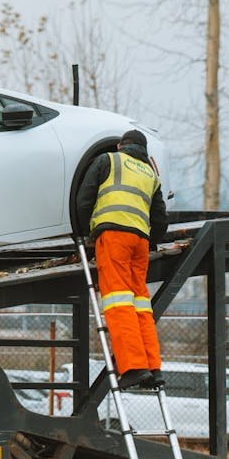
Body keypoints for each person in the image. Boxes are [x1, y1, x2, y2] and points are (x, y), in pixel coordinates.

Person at [74, 130, 168, 390]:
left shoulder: (109, 160)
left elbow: (84, 199)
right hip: (140, 242)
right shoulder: (151, 174)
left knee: (118, 302)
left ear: (120, 146)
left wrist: (84, 233)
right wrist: (153, 241)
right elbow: (160, 219)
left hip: (114, 236)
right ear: (144, 151)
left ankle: (134, 367)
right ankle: (153, 367)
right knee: (140, 304)